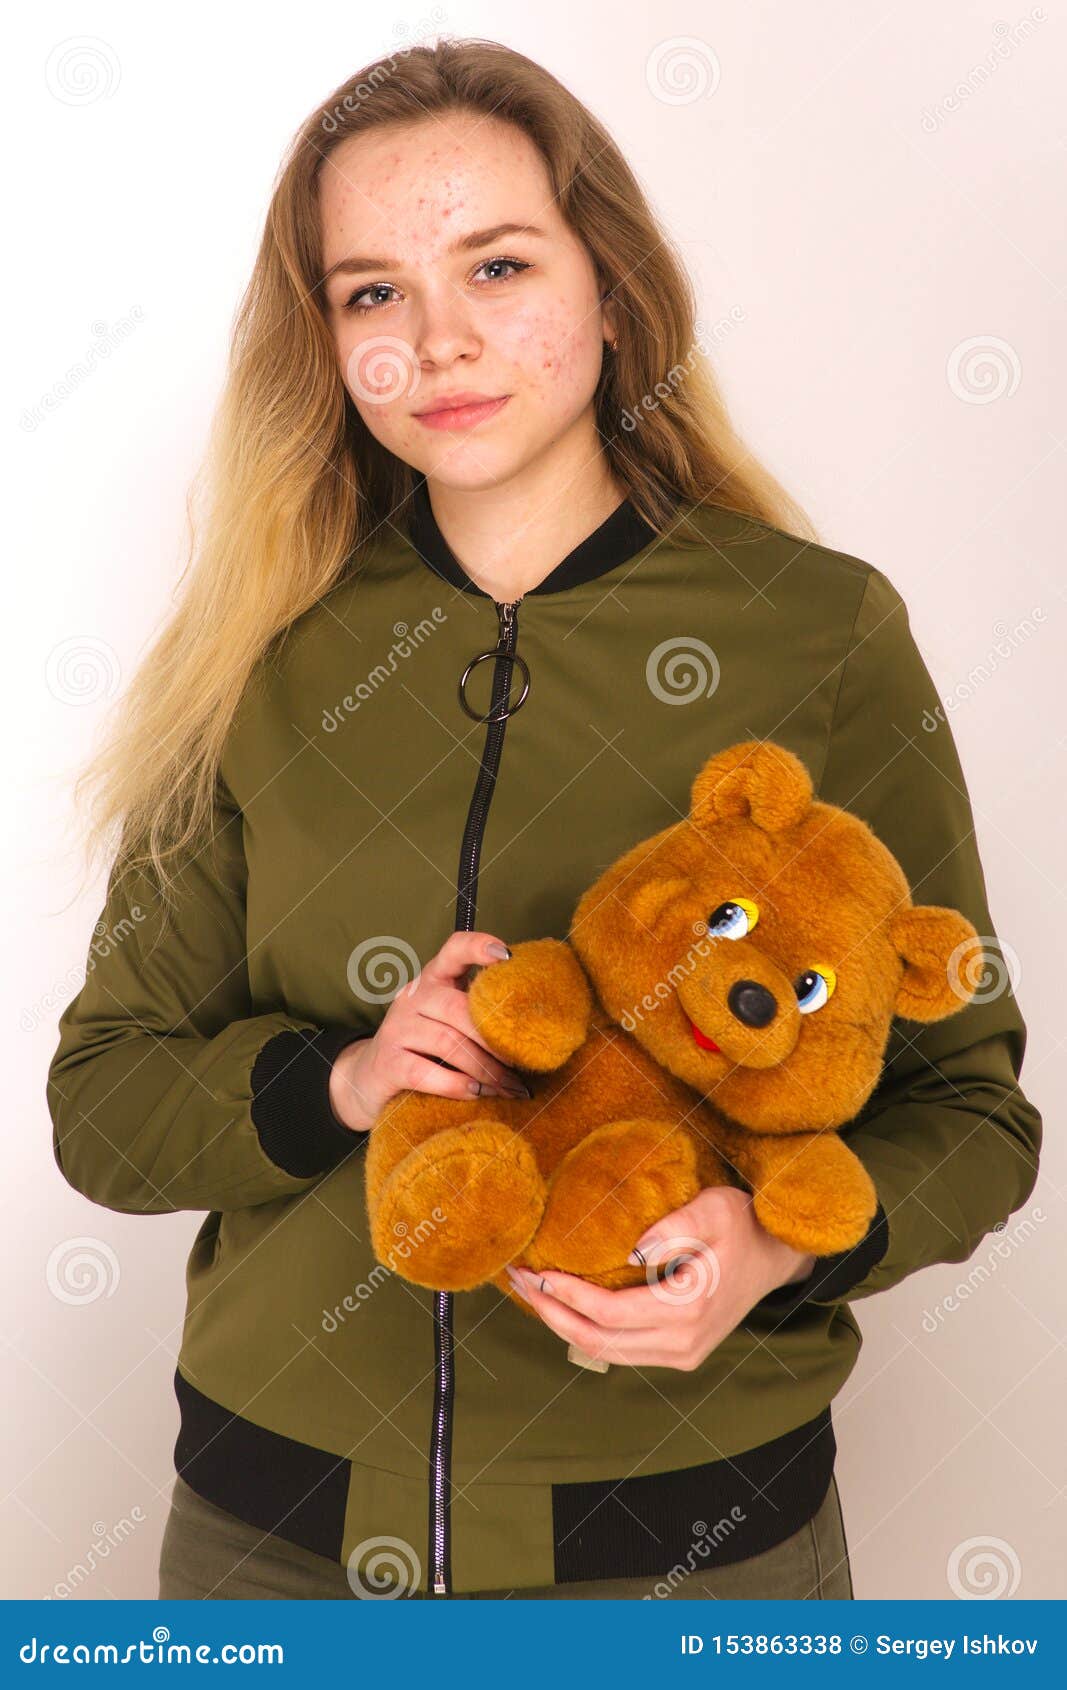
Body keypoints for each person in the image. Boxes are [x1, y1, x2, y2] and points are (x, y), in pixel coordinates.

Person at [45, 39, 1040, 1602]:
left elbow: (974, 1111)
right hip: (277, 1548)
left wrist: (776, 1250)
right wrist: (350, 1077)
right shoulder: (263, 651)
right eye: (373, 291)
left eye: (496, 265)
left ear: (610, 287)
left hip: (695, 1558)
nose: (440, 339)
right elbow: (102, 1103)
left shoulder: (821, 635)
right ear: (329, 341)